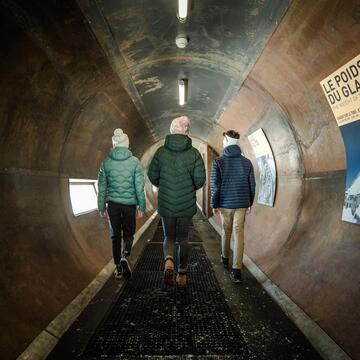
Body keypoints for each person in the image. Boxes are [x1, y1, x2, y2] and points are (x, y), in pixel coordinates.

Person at [148, 116, 205, 286]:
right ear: (187, 132)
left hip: (166, 203)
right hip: (186, 205)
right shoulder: (194, 153)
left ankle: (169, 261)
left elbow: (152, 175)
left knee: (169, 236)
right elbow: (200, 179)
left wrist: (163, 185)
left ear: (171, 130)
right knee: (183, 238)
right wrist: (189, 188)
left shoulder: (161, 152)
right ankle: (182, 273)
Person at [97, 128, 146, 280]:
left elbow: (102, 186)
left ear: (114, 144)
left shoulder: (105, 163)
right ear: (127, 144)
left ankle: (118, 266)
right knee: (129, 233)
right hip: (129, 205)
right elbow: (140, 187)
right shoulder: (135, 162)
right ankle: (125, 255)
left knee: (115, 236)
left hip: (112, 205)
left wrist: (101, 206)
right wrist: (142, 206)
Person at [210, 130, 256, 283]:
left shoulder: (219, 161)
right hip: (242, 204)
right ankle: (236, 270)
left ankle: (224, 257)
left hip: (225, 204)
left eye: (224, 139)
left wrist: (214, 204)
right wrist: (249, 202)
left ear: (227, 141)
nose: (222, 141)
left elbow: (215, 186)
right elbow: (252, 185)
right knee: (239, 234)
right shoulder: (247, 162)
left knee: (226, 230)